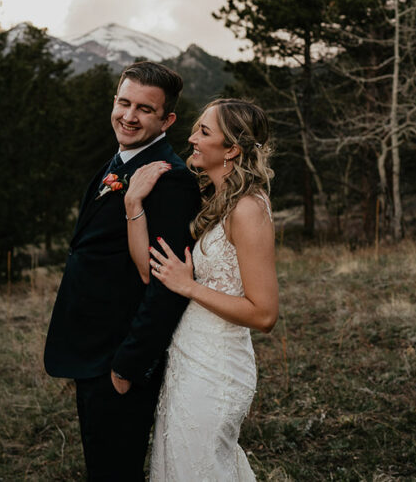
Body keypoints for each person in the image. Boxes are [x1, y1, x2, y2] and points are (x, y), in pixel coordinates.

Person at [43, 61, 201, 481]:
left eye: (144, 109)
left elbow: (169, 283)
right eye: (123, 102)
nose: (128, 116)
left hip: (117, 359)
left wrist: (128, 366)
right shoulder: (121, 160)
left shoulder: (170, 179)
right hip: (90, 350)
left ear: (167, 119)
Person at [123, 98, 278, 481]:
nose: (191, 138)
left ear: (231, 150)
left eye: (204, 132)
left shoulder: (248, 209)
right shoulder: (215, 201)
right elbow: (149, 268)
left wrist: (189, 287)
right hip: (187, 362)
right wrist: (132, 202)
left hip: (217, 369)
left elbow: (264, 314)